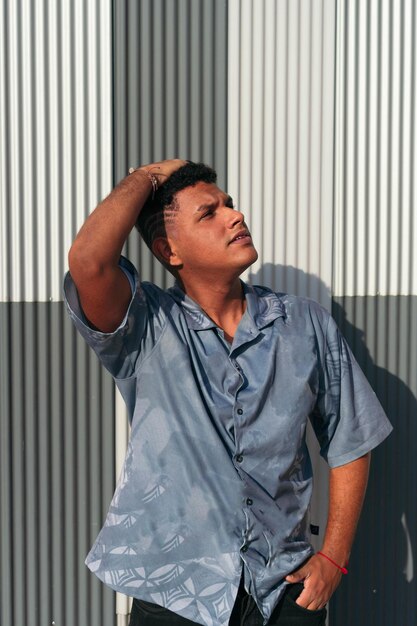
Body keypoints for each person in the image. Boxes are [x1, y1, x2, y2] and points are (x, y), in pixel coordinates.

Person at [64, 159, 392, 626]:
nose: (234, 217)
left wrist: (334, 559)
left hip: (283, 592)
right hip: (174, 595)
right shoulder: (145, 326)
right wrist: (148, 177)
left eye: (230, 206)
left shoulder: (304, 324)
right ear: (169, 250)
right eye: (208, 213)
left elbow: (352, 440)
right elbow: (88, 262)